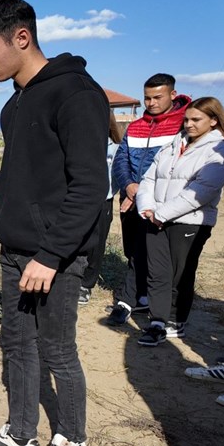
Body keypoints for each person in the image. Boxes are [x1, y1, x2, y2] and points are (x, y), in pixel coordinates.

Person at [0, 0, 109, 446]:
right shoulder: (14, 106)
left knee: (58, 350)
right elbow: (18, 176)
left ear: (22, 38)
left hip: (53, 258)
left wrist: (53, 254)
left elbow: (89, 186)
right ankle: (21, 436)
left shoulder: (76, 94)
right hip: (16, 252)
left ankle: (73, 442)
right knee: (17, 345)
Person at [134, 97, 224, 345]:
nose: (189, 124)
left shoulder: (218, 151)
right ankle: (157, 321)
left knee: (180, 273)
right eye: (186, 119)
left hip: (189, 222)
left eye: (196, 119)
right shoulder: (174, 144)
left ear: (214, 120)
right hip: (155, 218)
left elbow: (202, 191)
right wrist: (147, 207)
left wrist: (162, 213)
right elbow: (149, 178)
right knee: (157, 272)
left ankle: (176, 321)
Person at [106, 74, 191, 325]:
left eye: (157, 97)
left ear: (172, 95)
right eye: (146, 98)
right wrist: (129, 185)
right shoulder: (135, 126)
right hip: (130, 200)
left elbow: (175, 167)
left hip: (161, 204)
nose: (151, 103)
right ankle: (137, 298)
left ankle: (151, 306)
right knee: (133, 251)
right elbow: (121, 159)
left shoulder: (182, 126)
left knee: (160, 257)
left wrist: (143, 192)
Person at [79, 111, 124, 305]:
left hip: (103, 201)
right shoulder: (79, 145)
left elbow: (119, 174)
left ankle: (86, 284)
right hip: (79, 199)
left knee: (96, 245)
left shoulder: (115, 148)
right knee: (77, 240)